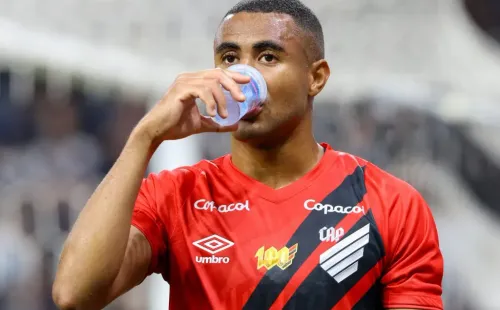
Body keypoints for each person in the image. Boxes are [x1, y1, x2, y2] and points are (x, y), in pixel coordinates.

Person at [52, 0, 444, 309]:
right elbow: (74, 294)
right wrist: (145, 137)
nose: (241, 76)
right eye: (228, 58)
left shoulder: (390, 204)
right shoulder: (176, 195)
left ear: (316, 77)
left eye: (267, 57)